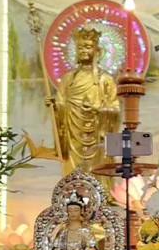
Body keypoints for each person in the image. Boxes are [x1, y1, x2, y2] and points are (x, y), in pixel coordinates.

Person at [48, 26, 120, 175]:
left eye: (88, 47)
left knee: (97, 172)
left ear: (97, 51)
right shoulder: (68, 78)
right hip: (73, 137)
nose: (83, 51)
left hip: (97, 136)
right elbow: (61, 102)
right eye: (80, 47)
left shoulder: (105, 79)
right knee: (73, 173)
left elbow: (115, 109)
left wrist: (98, 111)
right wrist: (55, 106)